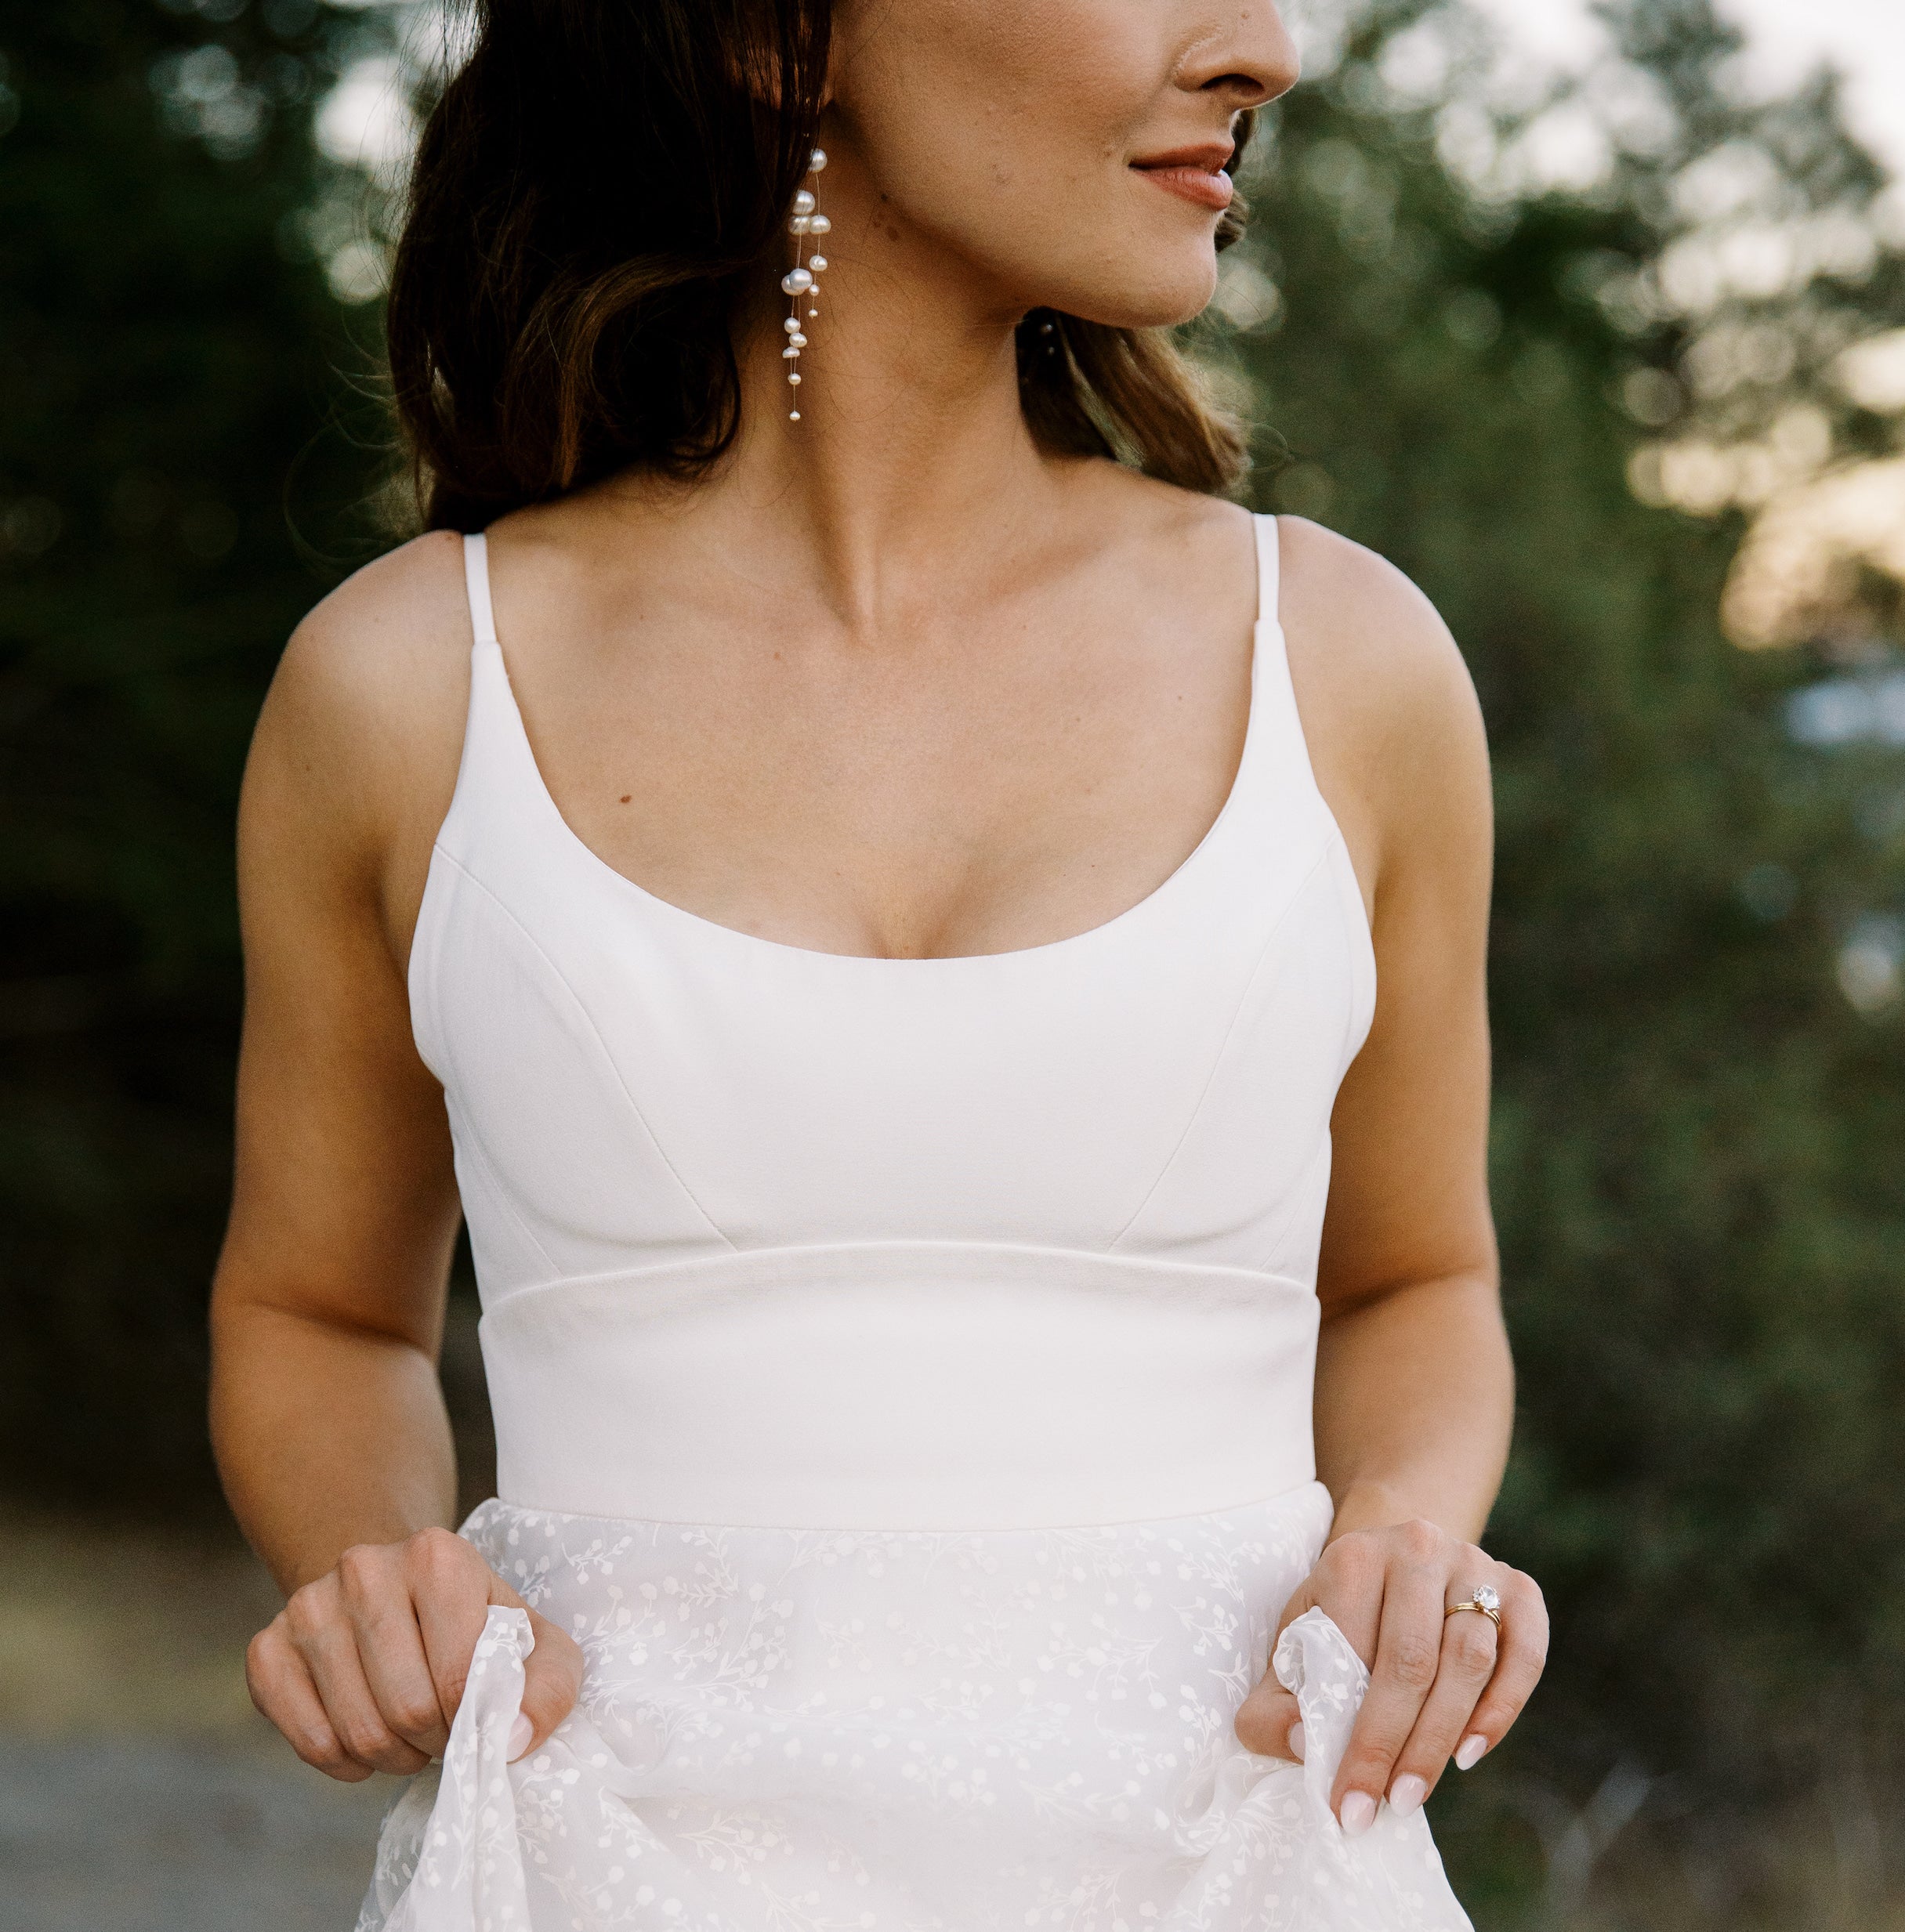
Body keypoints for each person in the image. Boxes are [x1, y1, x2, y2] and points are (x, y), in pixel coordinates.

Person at [209, 1, 1546, 1923]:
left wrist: (1409, 1544)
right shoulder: (406, 683)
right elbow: (315, 1313)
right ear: (773, 35)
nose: (1262, 46)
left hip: (1245, 1873)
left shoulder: (1342, 662)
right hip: (605, 1876)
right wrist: (372, 1565)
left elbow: (1418, 1275)